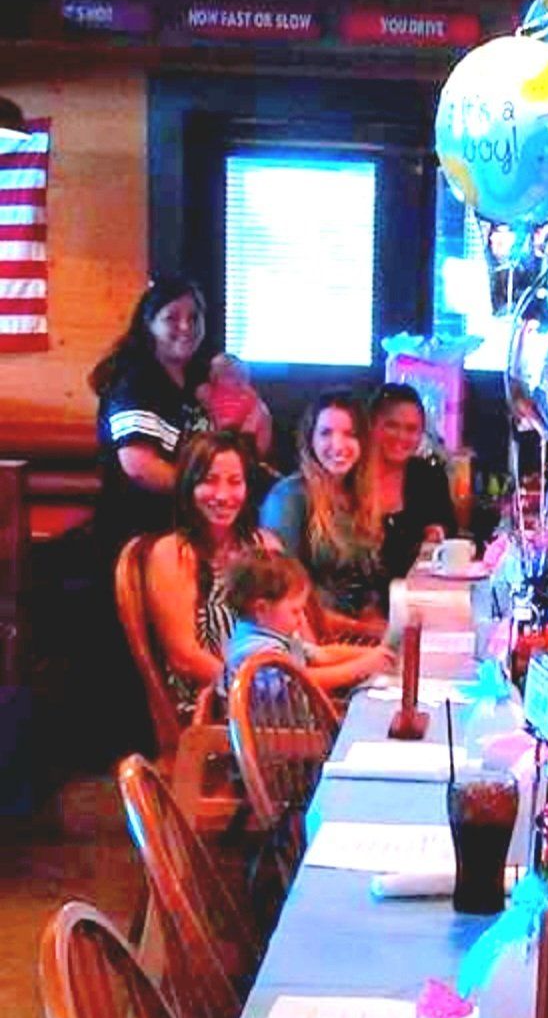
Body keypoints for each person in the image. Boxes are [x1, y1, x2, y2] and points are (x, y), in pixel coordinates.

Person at [143, 430, 273, 716]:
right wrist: (250, 688)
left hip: (276, 696)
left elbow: (301, 635)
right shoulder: (172, 553)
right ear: (188, 486)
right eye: (209, 481)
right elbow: (184, 657)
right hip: (211, 708)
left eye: (235, 482)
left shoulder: (265, 545)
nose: (223, 495)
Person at [90, 275, 213, 563]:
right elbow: (139, 466)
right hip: (137, 532)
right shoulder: (135, 382)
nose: (186, 327)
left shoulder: (201, 379)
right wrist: (204, 490)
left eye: (194, 318)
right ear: (149, 324)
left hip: (186, 526)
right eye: (172, 318)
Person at [259, 391, 383, 630]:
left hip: (352, 632)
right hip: (307, 635)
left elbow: (366, 582)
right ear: (310, 439)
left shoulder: (359, 495)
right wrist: (363, 630)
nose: (338, 445)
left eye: (350, 434)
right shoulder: (289, 497)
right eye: (326, 433)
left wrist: (372, 619)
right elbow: (284, 594)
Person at [221, 548, 396, 695]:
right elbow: (302, 682)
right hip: (277, 726)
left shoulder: (277, 632)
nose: (302, 619)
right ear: (261, 609)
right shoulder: (256, 651)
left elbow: (322, 655)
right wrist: (361, 667)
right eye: (295, 611)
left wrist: (375, 654)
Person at [363, 383, 457, 604]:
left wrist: (437, 532)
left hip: (413, 598)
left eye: (412, 429)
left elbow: (448, 525)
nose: (401, 436)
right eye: (391, 426)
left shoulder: (429, 475)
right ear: (371, 426)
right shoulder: (349, 475)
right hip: (359, 605)